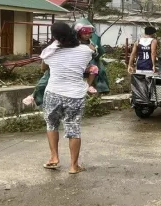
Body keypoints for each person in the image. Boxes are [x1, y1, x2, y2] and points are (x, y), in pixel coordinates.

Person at [41, 22, 93, 174]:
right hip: (75, 95)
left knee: (51, 125)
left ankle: (54, 158)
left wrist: (54, 47)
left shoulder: (49, 52)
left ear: (55, 37)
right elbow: (90, 53)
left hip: (53, 93)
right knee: (74, 129)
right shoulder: (86, 51)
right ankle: (73, 166)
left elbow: (43, 68)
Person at [74, 19, 110, 94]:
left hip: (86, 65)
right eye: (85, 33)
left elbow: (95, 55)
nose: (87, 35)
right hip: (75, 65)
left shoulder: (91, 43)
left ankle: (87, 86)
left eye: (89, 33)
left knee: (95, 68)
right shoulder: (75, 42)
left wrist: (94, 51)